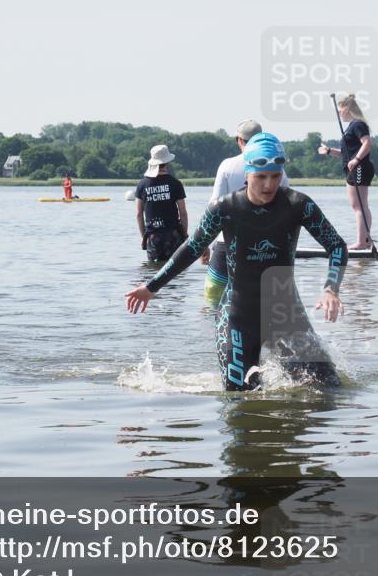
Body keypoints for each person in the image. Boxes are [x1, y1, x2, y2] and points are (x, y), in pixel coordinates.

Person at [126, 134, 347, 391]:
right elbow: (191, 248)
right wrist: (151, 287)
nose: (269, 185)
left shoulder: (298, 205)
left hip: (286, 313)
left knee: (328, 391)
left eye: (275, 176)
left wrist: (331, 289)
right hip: (238, 315)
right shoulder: (224, 209)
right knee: (240, 396)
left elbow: (337, 246)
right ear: (247, 174)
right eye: (261, 177)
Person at [201, 119, 290, 301]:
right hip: (263, 249)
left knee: (212, 303)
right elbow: (285, 212)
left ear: (240, 140)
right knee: (259, 305)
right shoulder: (278, 171)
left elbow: (214, 207)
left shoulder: (227, 165)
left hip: (225, 244)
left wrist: (203, 245)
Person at [318, 93, 374, 250]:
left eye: (340, 110)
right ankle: (365, 241)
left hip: (359, 168)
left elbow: (367, 143)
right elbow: (345, 154)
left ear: (347, 109)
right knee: (361, 206)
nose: (339, 113)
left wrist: (356, 160)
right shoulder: (352, 127)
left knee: (359, 206)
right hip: (356, 169)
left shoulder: (357, 124)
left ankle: (362, 242)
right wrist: (329, 151)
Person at [135, 145, 189, 262]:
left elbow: (139, 214)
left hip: (153, 236)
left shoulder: (142, 184)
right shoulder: (175, 183)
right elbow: (183, 212)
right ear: (167, 162)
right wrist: (184, 235)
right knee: (175, 269)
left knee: (154, 270)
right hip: (173, 235)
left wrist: (144, 236)